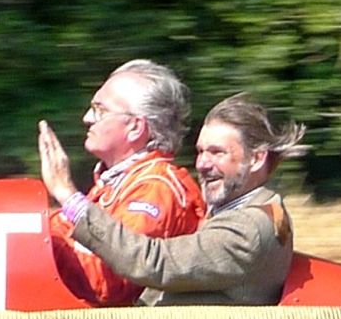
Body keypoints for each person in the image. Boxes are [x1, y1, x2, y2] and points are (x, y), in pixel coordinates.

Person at [58, 93, 308, 306]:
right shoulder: (259, 209)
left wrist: (71, 200)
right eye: (200, 152)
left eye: (217, 152)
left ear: (256, 159)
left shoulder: (248, 229)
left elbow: (153, 262)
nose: (202, 164)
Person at [37, 59, 206, 306]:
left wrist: (66, 195)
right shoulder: (117, 182)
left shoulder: (156, 188)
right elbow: (62, 235)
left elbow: (108, 284)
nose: (87, 118)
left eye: (100, 110)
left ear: (135, 127)